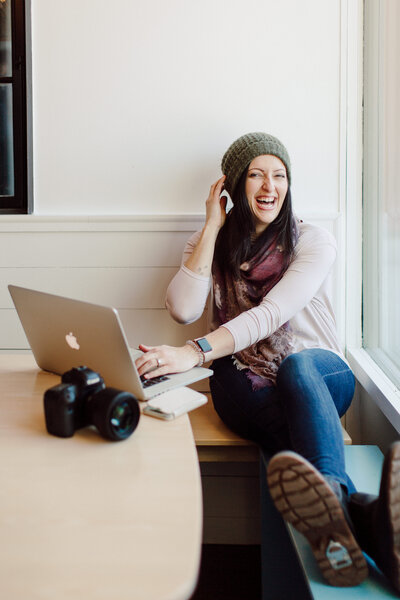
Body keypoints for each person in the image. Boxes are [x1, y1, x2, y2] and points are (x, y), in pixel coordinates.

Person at [135, 132, 400, 591]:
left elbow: (272, 314)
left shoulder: (313, 240)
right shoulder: (209, 242)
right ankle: (360, 523)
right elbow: (182, 308)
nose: (268, 186)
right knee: (227, 374)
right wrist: (213, 226)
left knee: (296, 368)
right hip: (248, 382)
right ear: (234, 187)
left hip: (320, 372)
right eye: (255, 175)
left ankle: (335, 508)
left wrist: (192, 351)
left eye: (279, 175)